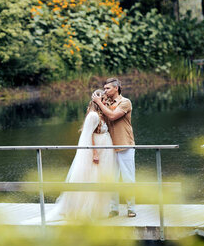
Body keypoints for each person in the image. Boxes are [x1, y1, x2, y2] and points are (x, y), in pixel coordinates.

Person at [46, 90, 116, 221]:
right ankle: (86, 209)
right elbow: (87, 135)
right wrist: (94, 153)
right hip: (98, 151)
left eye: (106, 99)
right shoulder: (93, 116)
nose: (106, 101)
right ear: (97, 101)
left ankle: (100, 209)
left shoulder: (101, 114)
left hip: (105, 151)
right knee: (93, 178)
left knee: (102, 179)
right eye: (104, 99)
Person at [92, 77, 136, 217]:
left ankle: (131, 209)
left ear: (116, 88)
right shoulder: (106, 103)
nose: (105, 91)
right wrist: (99, 103)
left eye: (108, 88)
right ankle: (114, 209)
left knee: (128, 178)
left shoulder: (125, 102)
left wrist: (99, 102)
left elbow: (112, 116)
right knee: (112, 178)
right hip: (109, 148)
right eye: (104, 88)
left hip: (125, 145)